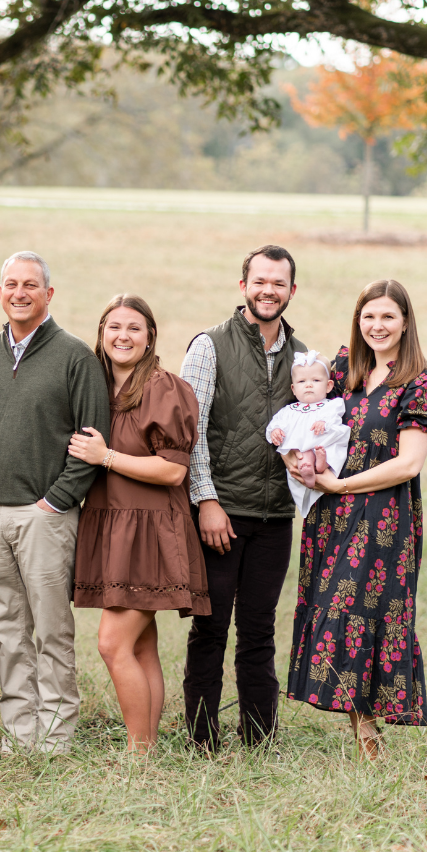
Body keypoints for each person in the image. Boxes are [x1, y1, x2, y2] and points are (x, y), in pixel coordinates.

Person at [0, 251, 108, 752]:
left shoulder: (75, 356)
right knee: (7, 631)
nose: (20, 292)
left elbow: (92, 437)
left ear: (49, 294)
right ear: (0, 292)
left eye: (30, 285)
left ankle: (56, 734)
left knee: (51, 630)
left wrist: (56, 501)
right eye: (11, 284)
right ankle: (19, 734)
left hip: (46, 516)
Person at [285, 279, 427, 758]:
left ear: (405, 323)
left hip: (382, 516)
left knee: (360, 613)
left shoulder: (420, 384)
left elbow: (408, 464)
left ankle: (370, 738)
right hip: (331, 516)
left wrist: (339, 485)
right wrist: (294, 460)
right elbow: (298, 415)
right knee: (334, 613)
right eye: (369, 316)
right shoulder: (343, 371)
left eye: (388, 317)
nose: (377, 326)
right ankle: (364, 733)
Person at [179, 246, 310, 751]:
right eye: (260, 281)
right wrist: (206, 500)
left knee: (259, 630)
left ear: (291, 291)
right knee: (210, 630)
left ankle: (259, 736)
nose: (268, 290)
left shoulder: (305, 359)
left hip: (275, 517)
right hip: (221, 512)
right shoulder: (209, 347)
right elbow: (190, 432)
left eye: (279, 283)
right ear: (243, 286)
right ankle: (200, 738)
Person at [67, 295, 209, 752]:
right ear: (101, 332)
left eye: (133, 328)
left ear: (150, 337)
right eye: (113, 327)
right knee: (141, 645)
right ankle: (144, 748)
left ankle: (137, 750)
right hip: (111, 525)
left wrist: (105, 456)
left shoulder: (165, 388)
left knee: (112, 644)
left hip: (150, 530)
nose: (122, 336)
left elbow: (172, 471)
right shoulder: (95, 386)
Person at [268, 353, 350, 518]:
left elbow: (336, 417)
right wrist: (275, 432)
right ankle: (310, 473)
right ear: (293, 388)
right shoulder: (289, 410)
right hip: (303, 451)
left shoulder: (331, 405)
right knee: (302, 454)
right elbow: (275, 423)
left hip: (324, 442)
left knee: (325, 449)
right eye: (302, 381)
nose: (308, 385)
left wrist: (324, 423)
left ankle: (321, 464)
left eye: (316, 381)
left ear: (328, 386)